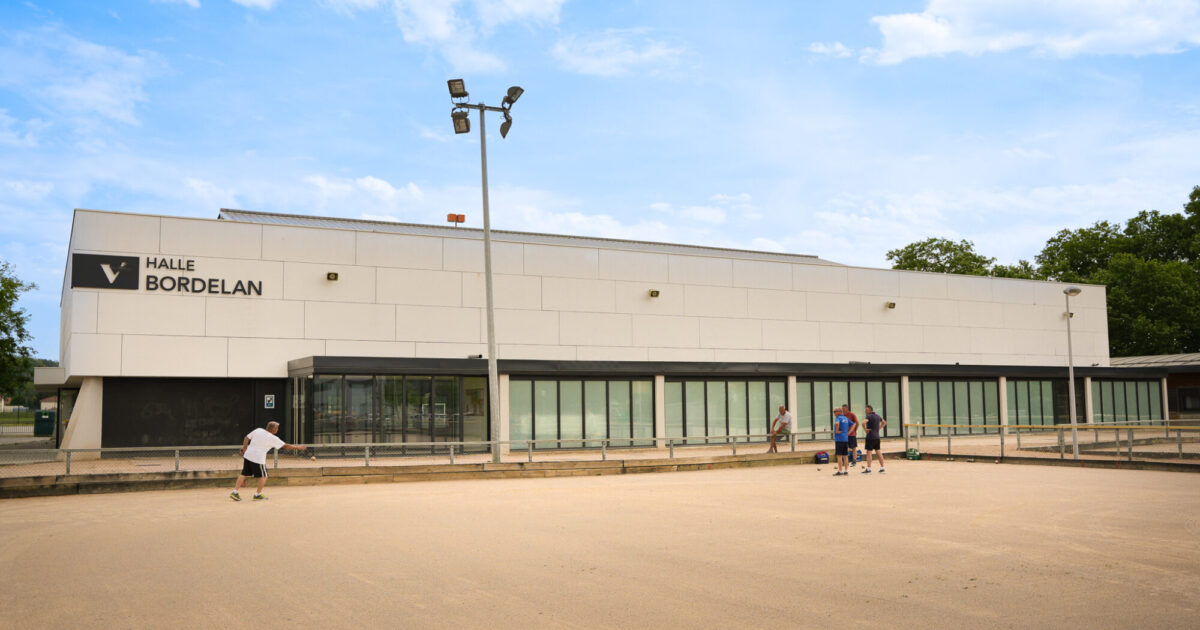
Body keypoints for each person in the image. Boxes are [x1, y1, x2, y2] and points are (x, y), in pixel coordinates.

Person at [230, 421, 305, 501]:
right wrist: (298, 447)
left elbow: (246, 437)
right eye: (277, 428)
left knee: (244, 473)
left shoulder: (258, 430)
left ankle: (234, 492)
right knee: (264, 476)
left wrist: (244, 448)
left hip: (248, 455)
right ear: (273, 429)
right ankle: (257, 494)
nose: (278, 430)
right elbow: (286, 446)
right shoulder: (273, 438)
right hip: (258, 458)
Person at [861, 405, 887, 474]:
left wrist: (865, 429)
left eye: (866, 410)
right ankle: (882, 468)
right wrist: (879, 428)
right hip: (877, 437)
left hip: (870, 437)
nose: (865, 411)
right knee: (878, 452)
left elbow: (863, 423)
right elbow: (884, 422)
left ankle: (869, 469)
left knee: (869, 452)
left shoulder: (869, 416)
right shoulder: (878, 416)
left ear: (870, 410)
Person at [832, 408, 855, 476]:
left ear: (839, 412)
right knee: (845, 456)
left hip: (839, 439)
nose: (834, 413)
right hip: (845, 439)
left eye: (834, 412)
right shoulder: (846, 418)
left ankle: (840, 470)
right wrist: (849, 432)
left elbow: (837, 423)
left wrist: (837, 431)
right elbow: (853, 424)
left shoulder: (838, 418)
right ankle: (846, 470)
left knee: (839, 456)